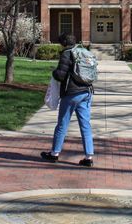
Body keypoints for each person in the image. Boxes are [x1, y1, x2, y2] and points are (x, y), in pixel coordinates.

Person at [41, 33, 95, 167]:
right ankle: (88, 157)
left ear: (64, 43)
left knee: (62, 124)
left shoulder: (66, 53)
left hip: (71, 93)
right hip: (87, 92)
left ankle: (54, 154)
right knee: (85, 125)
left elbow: (60, 75)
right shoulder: (83, 51)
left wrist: (53, 72)